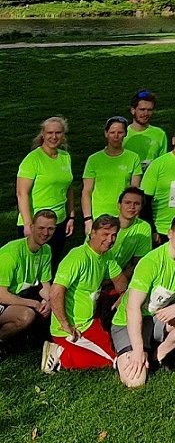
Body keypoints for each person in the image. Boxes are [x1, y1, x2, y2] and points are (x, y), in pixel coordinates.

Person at [111, 212, 175, 387]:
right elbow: (132, 308)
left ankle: (159, 354)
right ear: (170, 233)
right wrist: (138, 350)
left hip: (157, 317)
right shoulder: (151, 261)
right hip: (129, 321)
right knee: (136, 381)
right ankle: (127, 352)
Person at [42, 216, 129, 373]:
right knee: (112, 360)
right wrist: (65, 325)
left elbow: (121, 282)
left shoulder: (106, 255)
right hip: (75, 326)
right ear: (92, 233)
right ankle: (59, 354)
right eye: (105, 234)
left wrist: (124, 294)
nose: (110, 239)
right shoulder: (77, 257)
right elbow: (55, 292)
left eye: (114, 235)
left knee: (115, 350)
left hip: (90, 320)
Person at [18, 116, 76, 264]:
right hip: (37, 224)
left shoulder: (65, 157)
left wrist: (71, 216)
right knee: (31, 268)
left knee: (52, 264)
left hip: (59, 222)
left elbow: (69, 188)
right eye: (50, 133)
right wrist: (27, 224)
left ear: (63, 135)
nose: (54, 137)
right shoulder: (32, 160)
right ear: (43, 134)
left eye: (58, 133)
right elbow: (21, 193)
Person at [0, 210, 55, 346]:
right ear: (31, 227)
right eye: (41, 228)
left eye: (50, 229)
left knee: (57, 300)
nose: (45, 233)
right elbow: (1, 295)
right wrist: (35, 304)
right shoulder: (11, 254)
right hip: (3, 298)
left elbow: (45, 284)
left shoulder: (46, 250)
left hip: (13, 297)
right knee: (26, 315)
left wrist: (49, 302)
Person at [81, 117, 142, 237]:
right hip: (99, 215)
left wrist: (134, 216)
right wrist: (88, 219)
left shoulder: (133, 158)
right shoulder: (94, 159)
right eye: (112, 132)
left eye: (120, 132)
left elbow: (135, 191)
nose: (116, 136)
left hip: (124, 216)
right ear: (106, 134)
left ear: (125, 134)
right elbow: (86, 192)